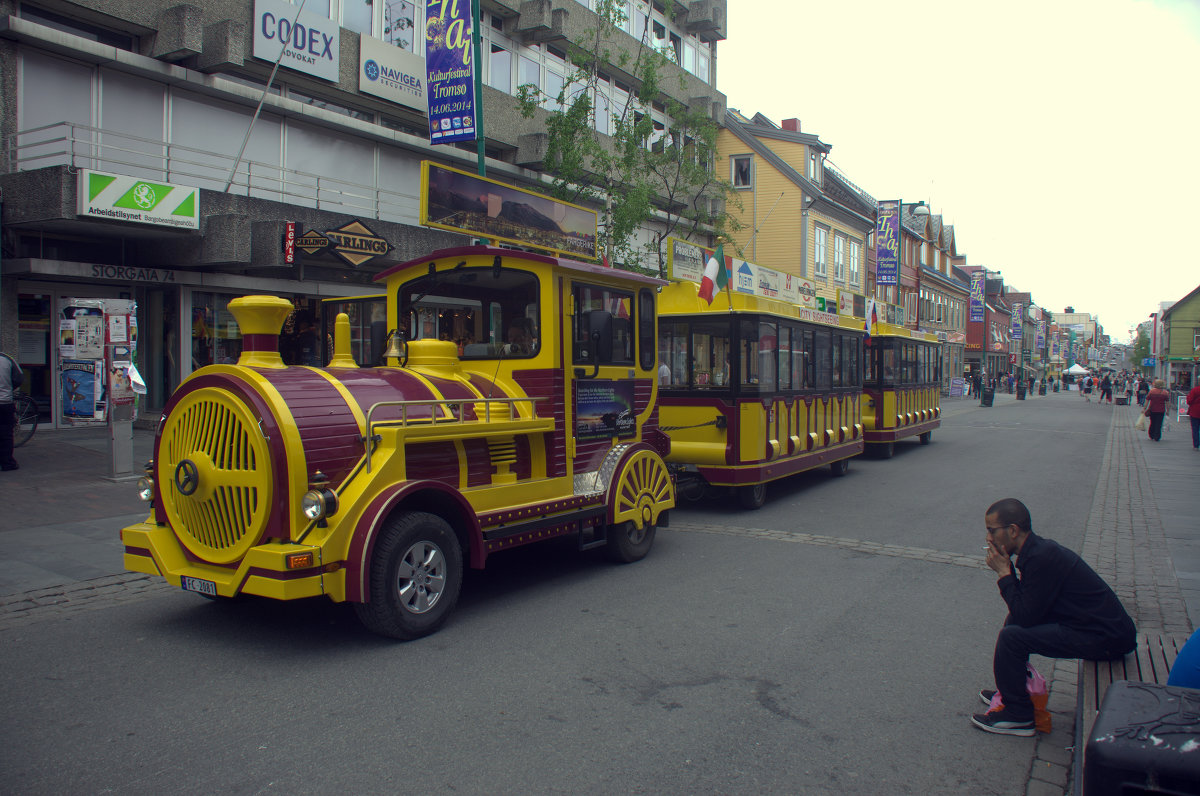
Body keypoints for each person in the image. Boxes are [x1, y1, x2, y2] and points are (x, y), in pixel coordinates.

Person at [972, 498, 1135, 737]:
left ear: (1013, 530)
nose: (988, 538)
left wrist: (1005, 574)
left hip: (1107, 639)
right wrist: (1009, 577)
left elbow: (1028, 616)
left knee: (1012, 637)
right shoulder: (1036, 552)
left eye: (991, 530)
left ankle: (1019, 716)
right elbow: (1027, 611)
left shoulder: (1041, 558)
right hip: (1097, 629)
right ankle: (1012, 692)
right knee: (1013, 624)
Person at [0, 351, 23, 471]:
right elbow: (19, 378)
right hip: (4, 402)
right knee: (6, 434)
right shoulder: (7, 359)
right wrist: (8, 388)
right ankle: (7, 462)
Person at [1186, 380, 1200, 451]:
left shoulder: (1194, 390)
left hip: (1195, 412)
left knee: (1195, 429)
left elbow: (1189, 401)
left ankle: (1196, 445)